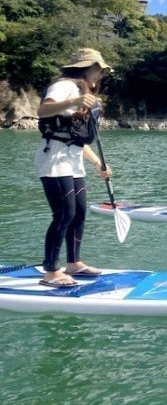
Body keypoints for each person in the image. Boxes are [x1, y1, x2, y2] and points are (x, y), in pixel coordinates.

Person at [35, 48, 113, 288]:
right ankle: (50, 272)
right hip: (54, 159)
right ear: (86, 67)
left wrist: (98, 163)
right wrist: (75, 101)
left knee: (79, 213)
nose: (100, 75)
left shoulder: (84, 92)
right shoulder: (65, 86)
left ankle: (73, 263)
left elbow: (77, 138)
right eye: (98, 70)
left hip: (73, 160)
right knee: (64, 214)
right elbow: (43, 110)